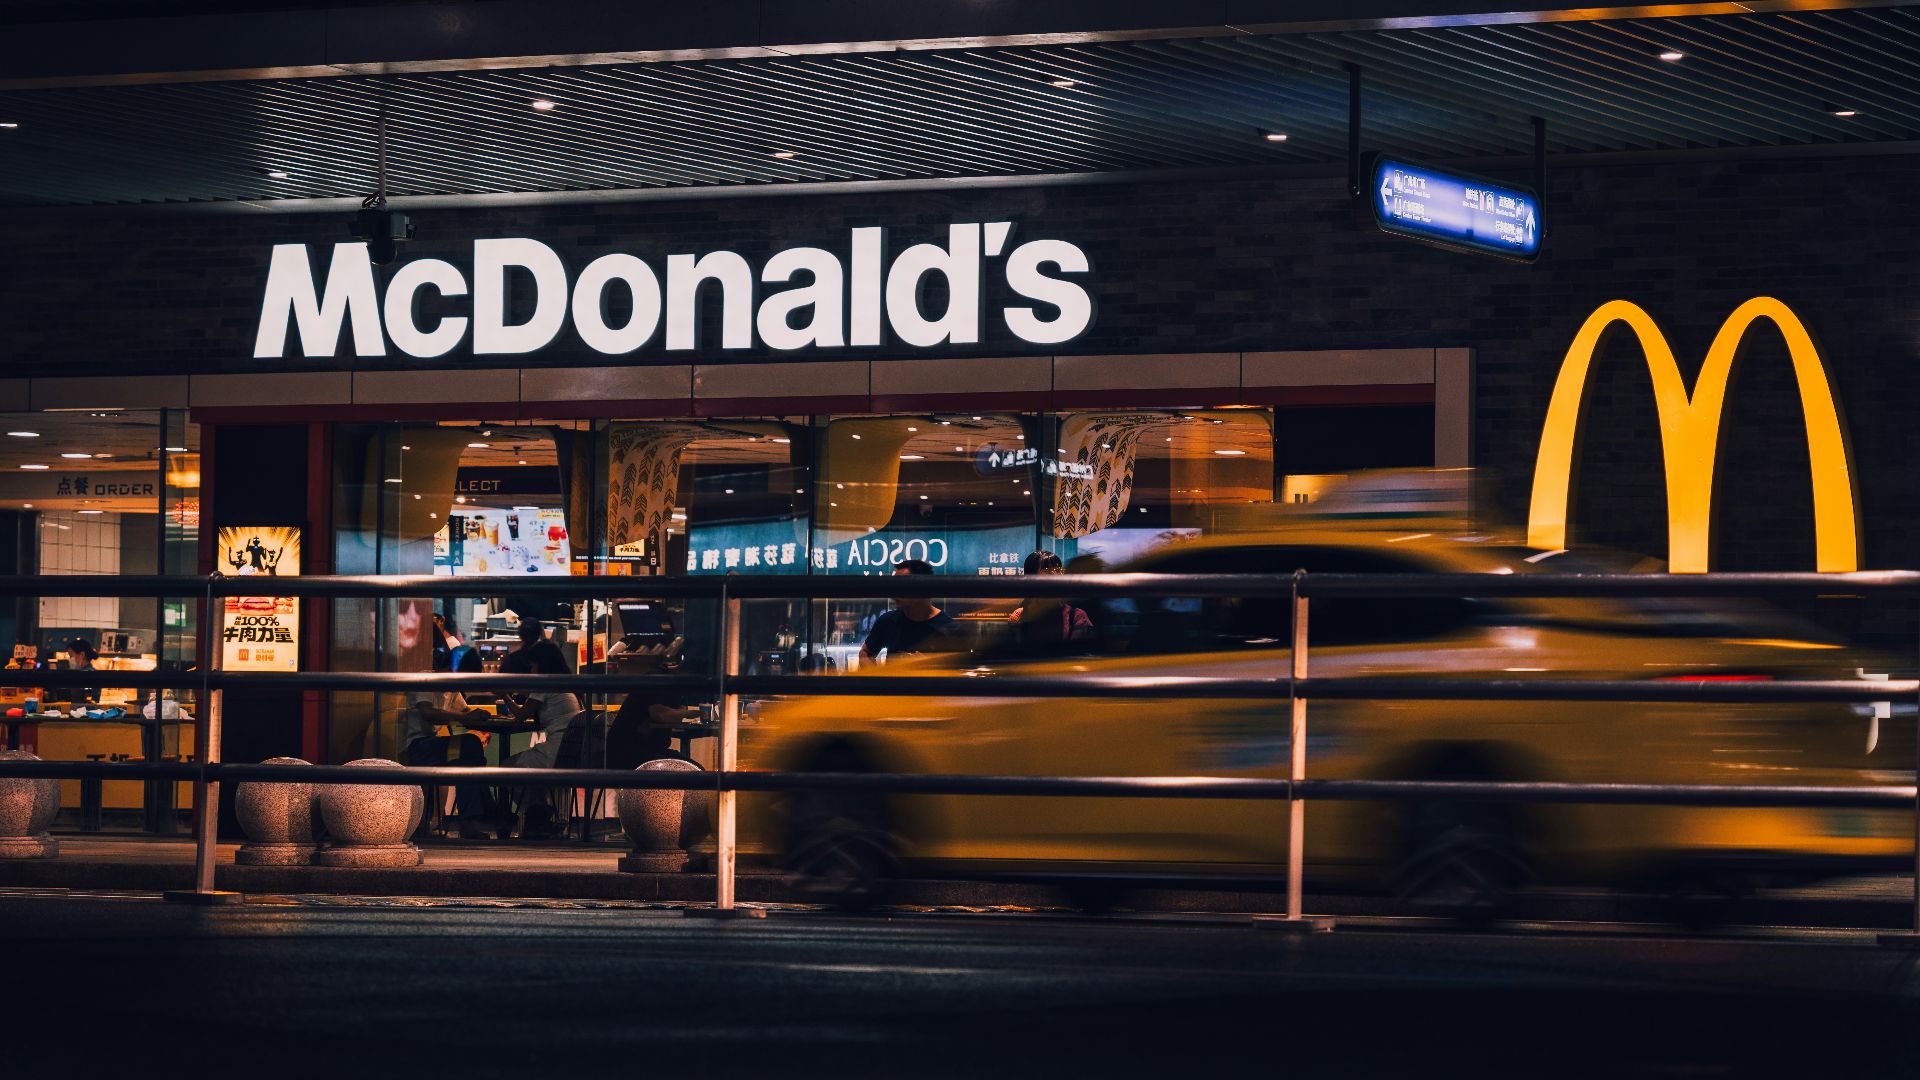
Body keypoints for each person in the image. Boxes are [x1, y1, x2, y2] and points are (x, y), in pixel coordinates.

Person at [498, 619, 585, 839]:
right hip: (570, 752)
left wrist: (504, 694)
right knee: (531, 777)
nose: (532, 669)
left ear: (542, 665)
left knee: (505, 769)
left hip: (556, 751)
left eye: (534, 665)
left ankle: (535, 814)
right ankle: (540, 816)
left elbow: (519, 717)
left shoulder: (544, 683)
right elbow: (535, 701)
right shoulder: (562, 685)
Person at [403, 647, 495, 839]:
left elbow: (465, 712)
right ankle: (479, 818)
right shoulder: (426, 679)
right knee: (471, 748)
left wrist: (482, 720)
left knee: (471, 752)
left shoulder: (452, 685)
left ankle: (476, 818)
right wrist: (469, 717)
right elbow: (427, 713)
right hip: (416, 747)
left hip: (433, 746)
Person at [860, 559, 955, 663]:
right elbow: (865, 652)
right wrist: (877, 677)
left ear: (923, 588)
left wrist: (929, 666)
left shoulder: (948, 629)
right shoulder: (887, 621)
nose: (893, 594)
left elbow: (957, 671)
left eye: (901, 586)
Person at [1007, 551, 1094, 647]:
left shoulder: (1077, 616)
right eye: (1047, 571)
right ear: (1031, 578)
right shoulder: (1019, 616)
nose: (1056, 575)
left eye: (1058, 570)